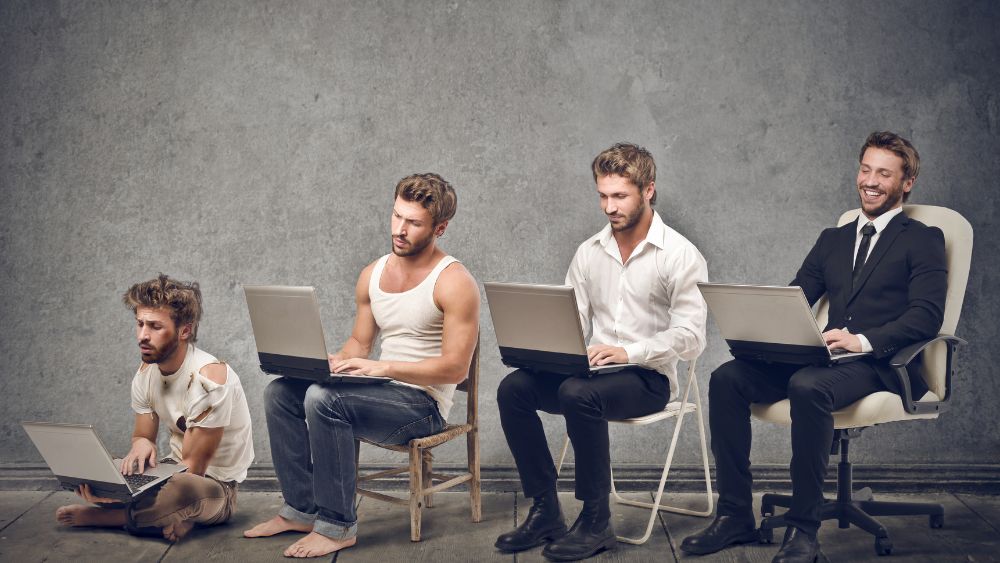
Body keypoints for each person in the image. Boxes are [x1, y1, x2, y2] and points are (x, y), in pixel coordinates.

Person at [680, 131, 947, 563]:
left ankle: (804, 530)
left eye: (884, 173)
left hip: (880, 363)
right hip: (823, 357)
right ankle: (734, 517)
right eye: (865, 169)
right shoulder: (833, 239)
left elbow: (926, 316)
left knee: (808, 386)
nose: (871, 181)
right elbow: (796, 297)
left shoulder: (922, 239)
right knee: (727, 378)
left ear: (907, 182)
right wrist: (765, 330)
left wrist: (859, 341)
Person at [244, 173, 480, 558]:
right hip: (379, 392)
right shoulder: (373, 274)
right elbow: (360, 342)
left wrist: (383, 368)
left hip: (422, 406)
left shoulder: (454, 281)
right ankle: (301, 510)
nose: (399, 230)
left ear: (440, 228)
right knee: (281, 392)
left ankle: (337, 526)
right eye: (396, 216)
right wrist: (335, 361)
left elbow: (455, 369)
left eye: (413, 222)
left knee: (324, 400)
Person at [495, 143, 708, 561]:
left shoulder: (680, 255)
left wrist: (627, 352)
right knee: (513, 388)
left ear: (648, 190)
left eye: (620, 196)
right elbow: (569, 317)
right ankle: (545, 511)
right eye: (603, 195)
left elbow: (691, 337)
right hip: (588, 369)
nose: (609, 207)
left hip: (647, 378)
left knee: (577, 393)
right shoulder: (589, 252)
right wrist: (544, 349)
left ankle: (596, 521)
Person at [55, 275, 254, 542]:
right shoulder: (146, 373)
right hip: (170, 469)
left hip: (213, 487)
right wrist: (139, 447)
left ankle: (113, 517)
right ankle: (167, 517)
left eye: (155, 326)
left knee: (181, 492)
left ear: (184, 330)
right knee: (102, 470)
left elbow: (194, 468)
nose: (142, 336)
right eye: (139, 324)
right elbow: (143, 436)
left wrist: (127, 493)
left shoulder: (210, 379)